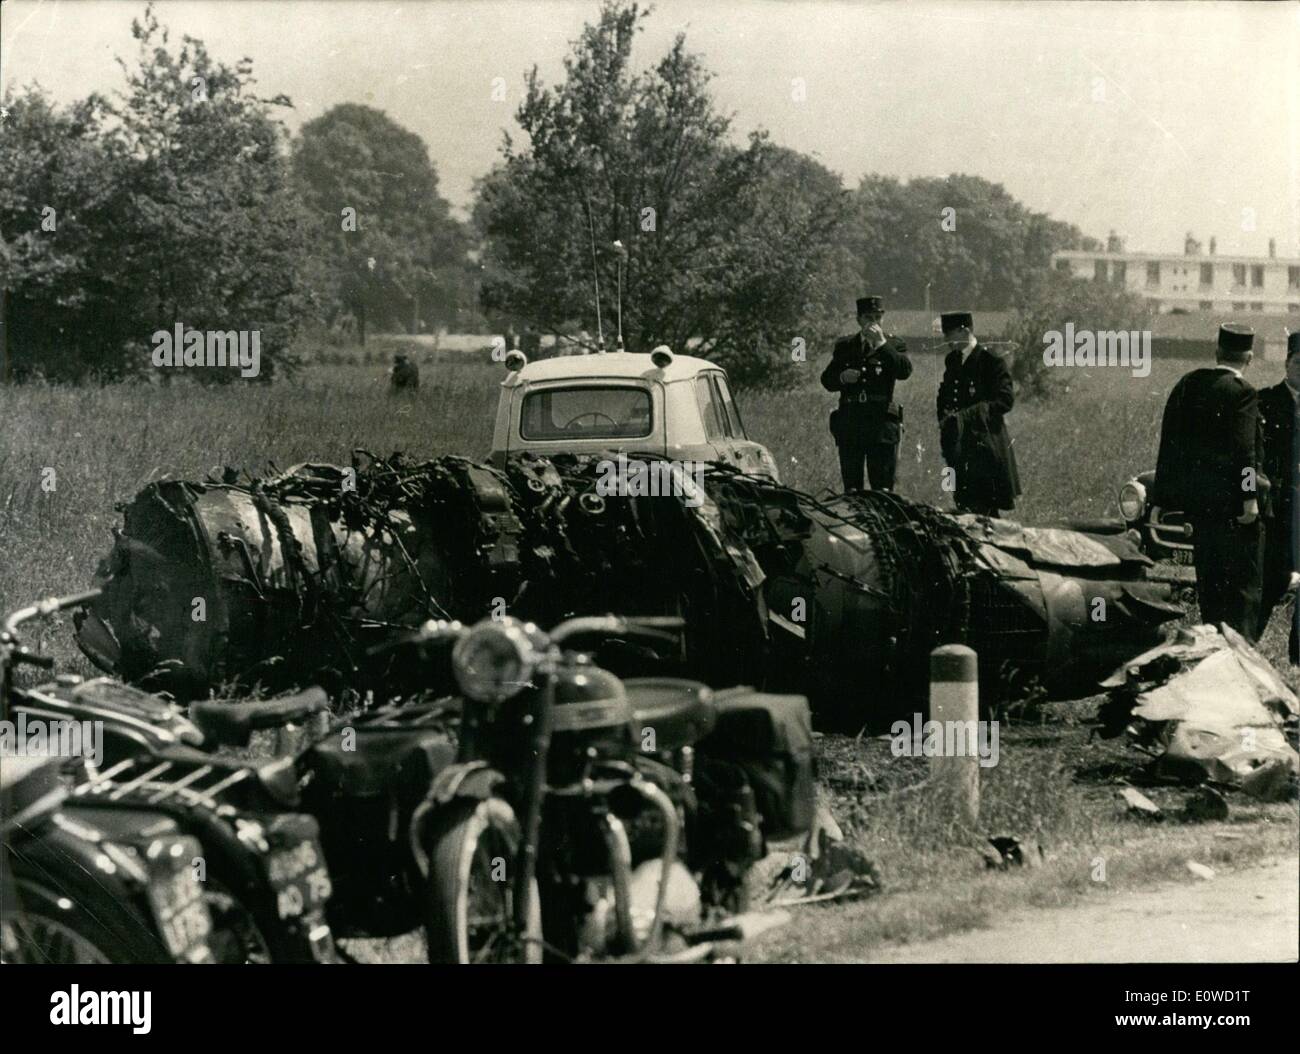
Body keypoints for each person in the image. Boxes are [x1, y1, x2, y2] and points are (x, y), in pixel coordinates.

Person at [1152, 324, 1264, 640]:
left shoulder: (1187, 384)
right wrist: (1249, 498)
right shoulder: (1243, 392)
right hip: (1233, 510)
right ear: (1250, 358)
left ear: (1217, 353)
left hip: (1199, 507)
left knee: (1211, 587)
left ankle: (1212, 647)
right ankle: (1238, 654)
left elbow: (1170, 442)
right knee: (1243, 589)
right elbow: (1245, 451)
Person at [819, 295, 912, 492]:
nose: (874, 323)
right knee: (852, 488)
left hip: (880, 424)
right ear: (859, 319)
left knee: (883, 488)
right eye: (869, 318)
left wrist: (881, 344)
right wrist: (842, 378)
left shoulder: (894, 345)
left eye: (878, 317)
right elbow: (827, 379)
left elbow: (904, 371)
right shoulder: (845, 346)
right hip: (851, 423)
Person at [935, 311, 1020, 516]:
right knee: (963, 504)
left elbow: (1005, 400)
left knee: (986, 509)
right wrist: (945, 419)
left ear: (965, 330)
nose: (946, 339)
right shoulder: (952, 360)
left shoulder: (991, 361)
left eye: (950, 333)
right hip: (958, 445)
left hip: (984, 446)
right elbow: (945, 394)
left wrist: (967, 415)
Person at [1257, 331, 1300, 661]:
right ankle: (1246, 647)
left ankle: (1298, 658)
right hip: (1277, 511)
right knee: (1271, 580)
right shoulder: (1264, 401)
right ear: (1287, 364)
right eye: (1298, 363)